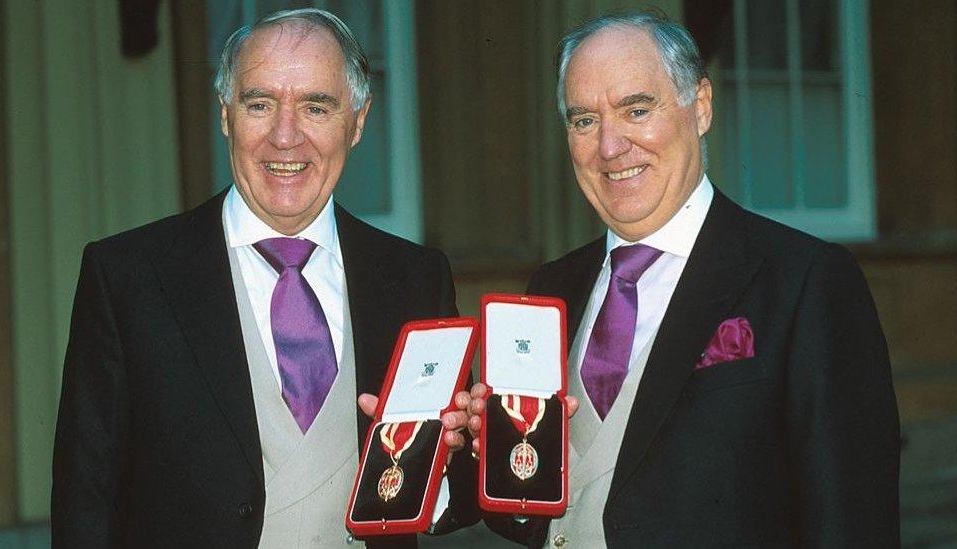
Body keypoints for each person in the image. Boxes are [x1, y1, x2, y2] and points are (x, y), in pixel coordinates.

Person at [466, 12, 899, 548]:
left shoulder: (806, 282)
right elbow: (528, 514)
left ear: (701, 107)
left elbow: (852, 524)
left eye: (637, 110)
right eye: (584, 121)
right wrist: (486, 457)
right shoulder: (552, 289)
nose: (609, 146)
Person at [52, 9, 476, 548]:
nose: (285, 137)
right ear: (226, 114)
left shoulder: (415, 279)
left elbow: (461, 494)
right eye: (260, 104)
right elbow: (83, 503)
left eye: (315, 107)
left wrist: (445, 461)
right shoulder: (129, 278)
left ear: (359, 121)